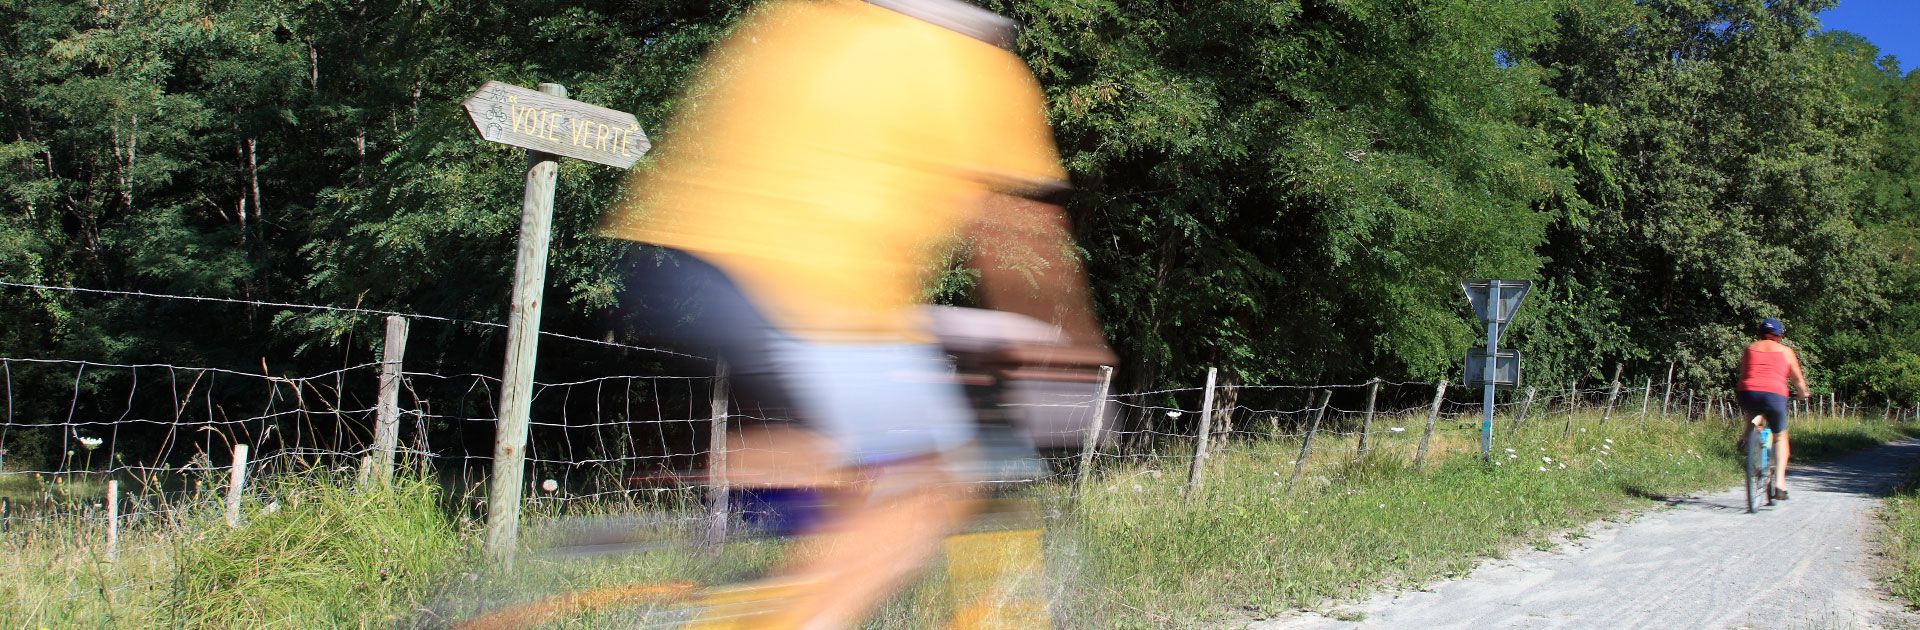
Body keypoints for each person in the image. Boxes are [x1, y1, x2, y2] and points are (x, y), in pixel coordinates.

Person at [600, 0, 1111, 627]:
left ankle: (719, 540)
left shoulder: (801, 21)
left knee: (844, 469)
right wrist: (1077, 347)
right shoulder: (970, 61)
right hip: (819, 293)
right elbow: (1017, 230)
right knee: (926, 489)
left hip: (681, 266)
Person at [1735, 318, 1810, 500]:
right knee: (1780, 437)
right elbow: (1797, 380)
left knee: (1753, 411)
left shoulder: (1749, 348)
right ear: (1779, 335)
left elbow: (1744, 373)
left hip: (1748, 392)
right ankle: (1780, 484)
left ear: (1760, 333)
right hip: (1774, 395)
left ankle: (1747, 435)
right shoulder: (1786, 351)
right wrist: (1802, 393)